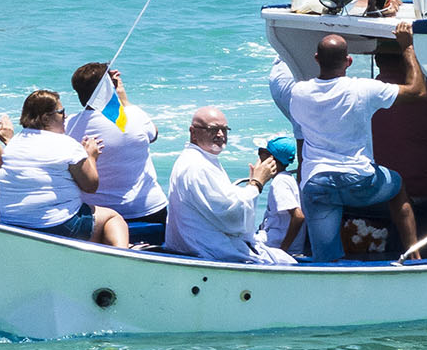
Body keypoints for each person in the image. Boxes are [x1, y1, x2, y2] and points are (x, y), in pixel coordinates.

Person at [289, 26, 425, 262]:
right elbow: (417, 92)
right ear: (349, 61)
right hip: (359, 181)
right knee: (397, 185)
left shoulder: (298, 92)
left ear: (316, 59)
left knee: (326, 260)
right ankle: (414, 255)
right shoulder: (363, 88)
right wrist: (407, 47)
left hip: (317, 183)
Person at [0, 89, 131, 247]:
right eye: (61, 112)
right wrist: (91, 156)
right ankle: (122, 263)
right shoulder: (67, 144)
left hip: (12, 225)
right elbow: (90, 186)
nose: (65, 116)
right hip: (55, 225)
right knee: (112, 218)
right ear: (46, 117)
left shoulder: (13, 143)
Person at [164, 107, 293, 264]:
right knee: (287, 262)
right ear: (193, 133)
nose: (220, 135)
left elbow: (222, 203)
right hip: (208, 251)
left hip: (205, 245)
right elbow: (232, 219)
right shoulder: (197, 166)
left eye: (224, 129)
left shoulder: (203, 159)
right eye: (213, 129)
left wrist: (252, 185)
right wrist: (256, 184)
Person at [65, 62, 169, 244]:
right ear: (108, 90)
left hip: (97, 215)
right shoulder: (134, 115)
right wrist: (123, 99)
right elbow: (154, 134)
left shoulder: (68, 126)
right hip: (148, 210)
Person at [371, 39, 427, 231]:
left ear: (377, 60)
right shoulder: (426, 99)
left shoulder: (362, 95)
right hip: (421, 184)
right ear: (409, 61)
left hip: (376, 185)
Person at [254, 137, 305, 255]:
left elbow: (298, 216)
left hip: (273, 244)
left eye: (261, 152)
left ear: (271, 158)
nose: (259, 157)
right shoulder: (287, 178)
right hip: (273, 239)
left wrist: (283, 250)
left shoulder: (279, 182)